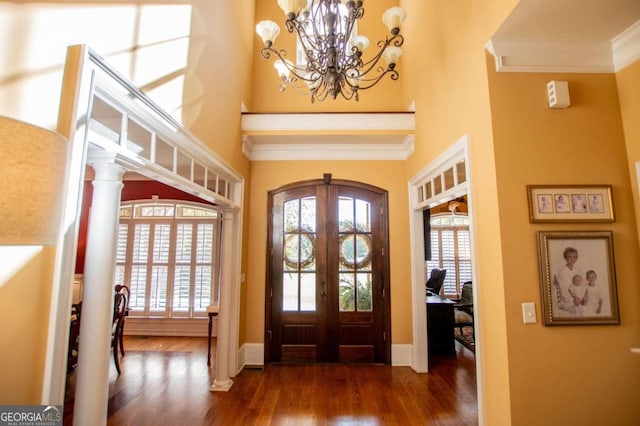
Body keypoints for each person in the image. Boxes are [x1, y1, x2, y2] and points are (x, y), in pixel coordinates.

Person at [553, 247, 582, 316]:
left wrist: (582, 297)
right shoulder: (562, 272)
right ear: (565, 257)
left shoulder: (577, 271)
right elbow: (565, 289)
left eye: (574, 257)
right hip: (568, 301)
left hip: (579, 298)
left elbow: (582, 285)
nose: (572, 259)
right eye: (570, 257)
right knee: (579, 310)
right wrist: (576, 299)